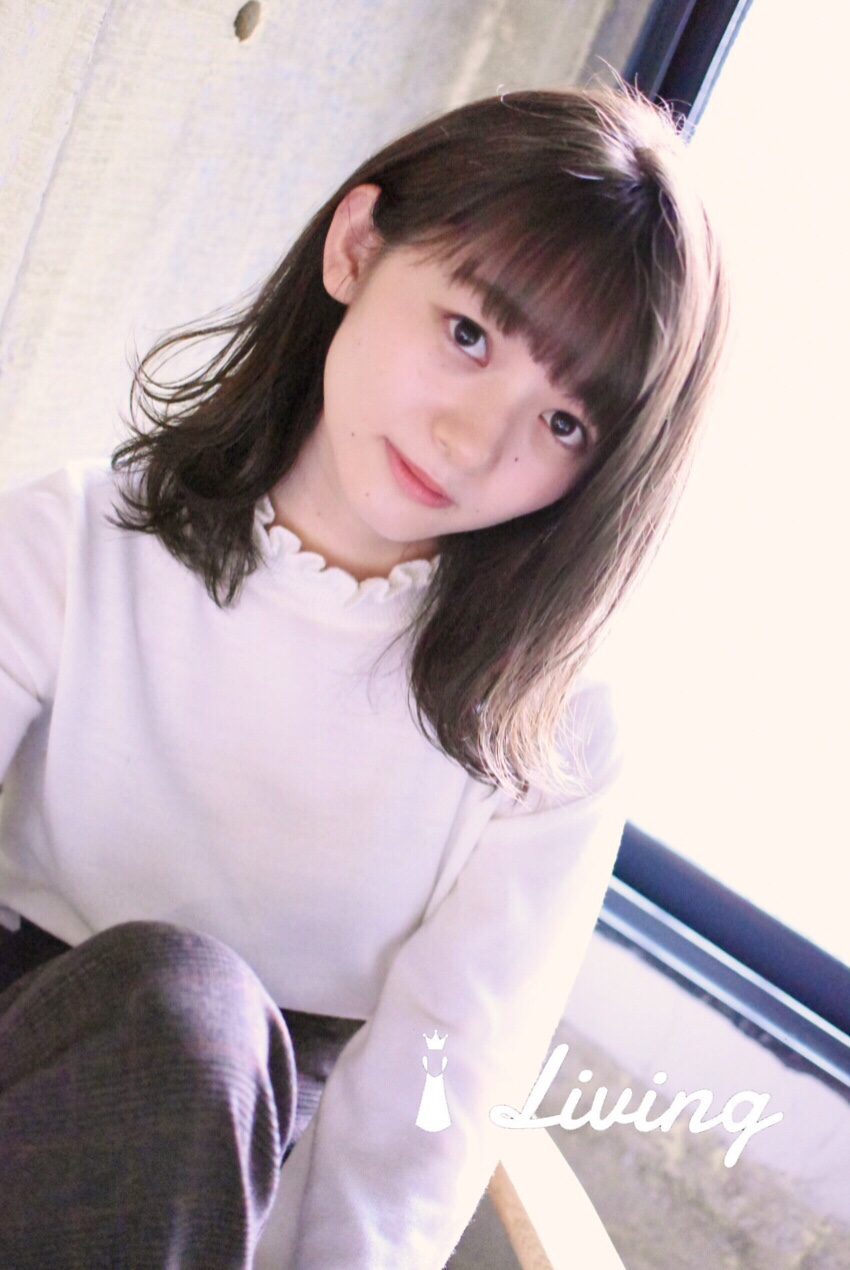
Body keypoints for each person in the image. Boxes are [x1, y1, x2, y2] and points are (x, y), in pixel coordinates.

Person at [0, 85, 728, 1267]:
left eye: (562, 423)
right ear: (355, 248)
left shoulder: (550, 735)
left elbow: (434, 1094)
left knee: (192, 1023)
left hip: (237, 1195)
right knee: (174, 1011)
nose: (472, 440)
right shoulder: (75, 541)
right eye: (468, 334)